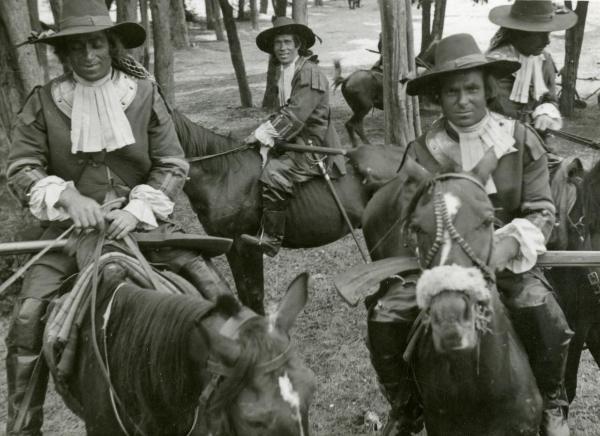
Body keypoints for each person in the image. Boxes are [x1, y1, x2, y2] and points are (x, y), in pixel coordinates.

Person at [5, 1, 230, 434]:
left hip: (142, 223)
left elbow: (171, 164)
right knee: (29, 316)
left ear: (110, 45)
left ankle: (241, 383)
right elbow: (21, 167)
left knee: (210, 284)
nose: (88, 56)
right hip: (68, 230)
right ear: (63, 54)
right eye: (76, 48)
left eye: (96, 45)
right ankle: (24, 423)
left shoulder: (144, 94)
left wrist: (139, 208)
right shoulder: (43, 101)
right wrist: (67, 197)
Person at [367, 33, 573, 436]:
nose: (463, 100)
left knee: (542, 310)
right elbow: (411, 213)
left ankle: (552, 403)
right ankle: (407, 407)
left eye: (472, 90)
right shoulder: (422, 151)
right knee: (385, 314)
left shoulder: (518, 139)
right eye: (451, 92)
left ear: (488, 90)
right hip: (441, 260)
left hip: (507, 254)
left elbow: (541, 209)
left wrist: (505, 246)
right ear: (438, 98)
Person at [240, 16, 343, 257]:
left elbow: (296, 115)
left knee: (274, 174)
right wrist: (262, 131)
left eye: (287, 42)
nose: (282, 48)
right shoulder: (288, 71)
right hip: (294, 139)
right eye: (278, 43)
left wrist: (262, 133)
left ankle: (272, 238)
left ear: (298, 44)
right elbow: (284, 110)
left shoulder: (309, 73)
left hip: (311, 146)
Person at [485, 0, 577, 134]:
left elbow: (550, 98)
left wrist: (545, 114)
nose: (547, 41)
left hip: (534, 142)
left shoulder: (544, 60)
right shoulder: (490, 66)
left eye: (548, 33)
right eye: (540, 35)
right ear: (518, 32)